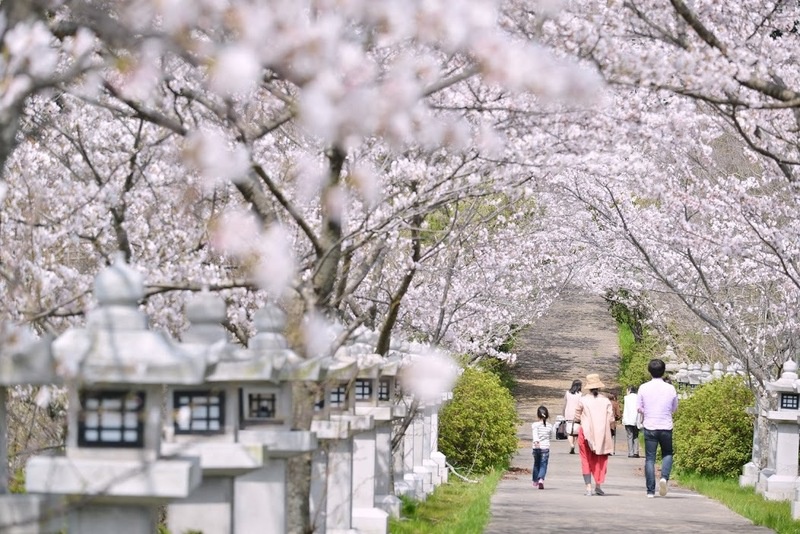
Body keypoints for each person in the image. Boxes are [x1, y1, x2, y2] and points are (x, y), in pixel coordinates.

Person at [638, 358, 678, 498]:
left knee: (650, 458)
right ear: (663, 371)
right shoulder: (670, 388)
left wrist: (646, 410)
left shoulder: (643, 387)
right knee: (667, 453)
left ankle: (650, 491)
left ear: (650, 371)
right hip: (666, 425)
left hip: (650, 426)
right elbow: (674, 408)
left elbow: (640, 407)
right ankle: (664, 478)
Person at [574, 373, 614, 496]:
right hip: (602, 435)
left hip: (585, 434)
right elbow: (611, 418)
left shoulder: (583, 399)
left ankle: (588, 488)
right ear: (599, 387)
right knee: (600, 460)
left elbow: (577, 415)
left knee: (585, 459)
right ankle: (598, 486)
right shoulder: (606, 400)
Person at [531, 405, 551, 489]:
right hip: (545, 447)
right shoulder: (549, 426)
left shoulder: (535, 425)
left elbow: (535, 434)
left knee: (536, 464)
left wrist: (536, 442)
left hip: (536, 447)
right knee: (543, 464)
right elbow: (550, 436)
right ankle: (541, 479)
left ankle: (535, 480)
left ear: (538, 415)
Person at [563, 379, 582, 454]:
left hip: (568, 414)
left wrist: (563, 413)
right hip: (577, 414)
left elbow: (565, 404)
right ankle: (573, 444)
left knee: (569, 431)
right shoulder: (580, 394)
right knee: (576, 431)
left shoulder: (567, 393)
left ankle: (571, 444)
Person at [621, 385, 641, 458]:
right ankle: (636, 452)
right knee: (636, 436)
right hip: (636, 419)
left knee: (630, 436)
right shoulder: (638, 397)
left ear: (629, 390)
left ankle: (630, 452)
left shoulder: (626, 398)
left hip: (628, 419)